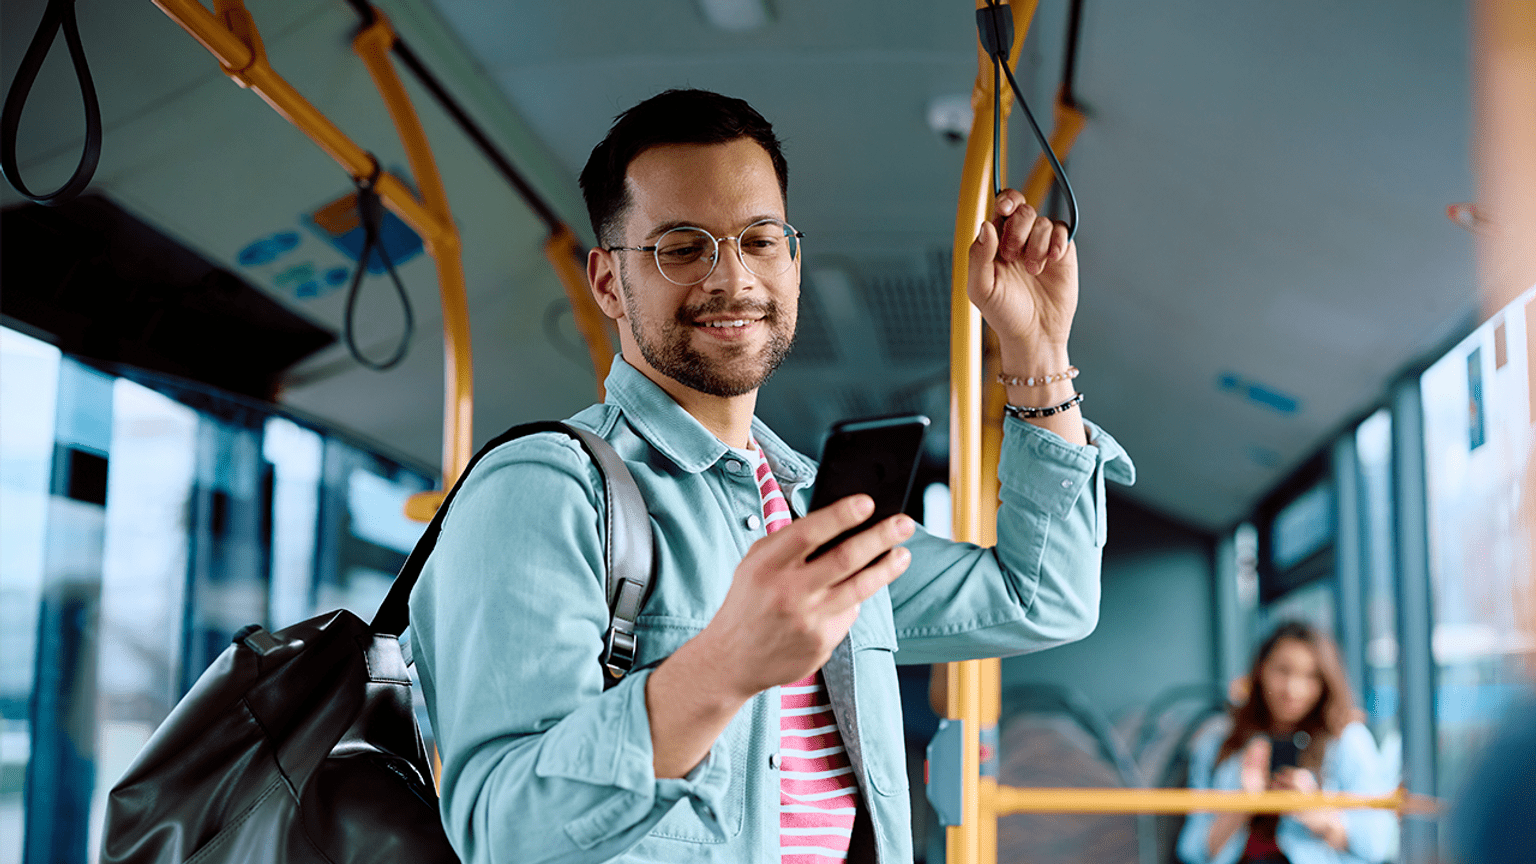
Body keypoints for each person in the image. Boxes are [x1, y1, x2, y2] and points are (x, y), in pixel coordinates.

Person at [408, 88, 1133, 864]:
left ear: (791, 258)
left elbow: (1042, 597)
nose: (733, 279)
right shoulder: (544, 490)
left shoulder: (805, 505)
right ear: (609, 282)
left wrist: (1037, 349)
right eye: (682, 248)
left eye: (759, 239)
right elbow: (499, 830)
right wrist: (724, 665)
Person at [1177, 622, 1396, 864]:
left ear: (1326, 681)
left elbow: (1377, 845)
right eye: (1283, 671)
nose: (1294, 689)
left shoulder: (1347, 740)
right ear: (1261, 670)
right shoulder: (1219, 742)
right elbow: (1192, 852)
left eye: (1311, 675)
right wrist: (1241, 804)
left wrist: (1318, 814)